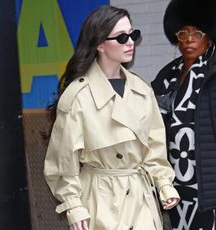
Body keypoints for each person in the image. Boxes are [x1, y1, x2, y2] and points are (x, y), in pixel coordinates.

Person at [44, 5, 180, 230]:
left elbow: (154, 148)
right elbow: (62, 160)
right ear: (99, 45)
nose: (130, 42)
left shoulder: (142, 89)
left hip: (141, 199)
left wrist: (164, 183)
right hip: (100, 201)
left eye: (133, 35)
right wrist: (74, 205)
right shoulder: (78, 96)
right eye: (121, 37)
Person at [151, 0, 216, 229]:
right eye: (183, 33)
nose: (189, 39)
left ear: (209, 35)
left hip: (206, 182)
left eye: (196, 33)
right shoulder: (167, 75)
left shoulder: (212, 72)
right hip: (174, 181)